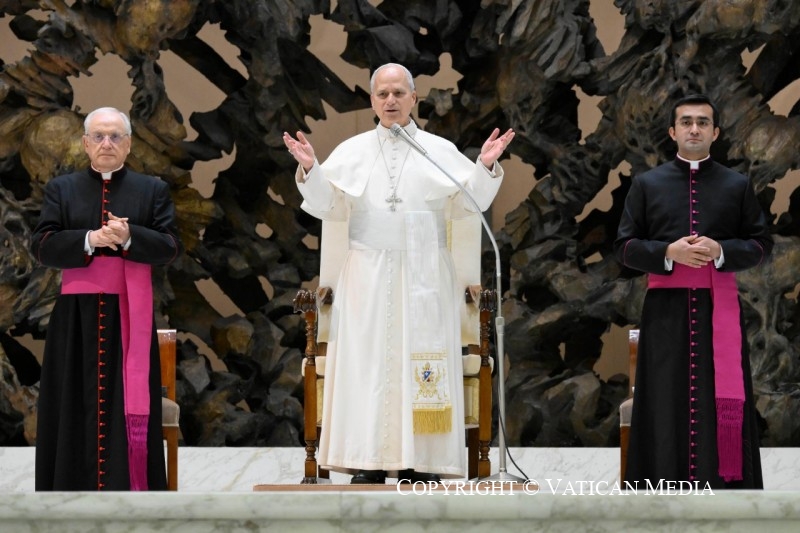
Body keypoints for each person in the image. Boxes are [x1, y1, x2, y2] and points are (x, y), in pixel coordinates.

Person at [283, 63, 514, 484]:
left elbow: (467, 205)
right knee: (367, 367)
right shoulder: (352, 151)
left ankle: (421, 462)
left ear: (413, 99)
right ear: (372, 101)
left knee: (417, 364)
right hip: (365, 277)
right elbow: (329, 208)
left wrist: (484, 168)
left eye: (398, 93)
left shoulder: (437, 149)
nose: (390, 101)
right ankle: (367, 463)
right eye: (382, 94)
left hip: (424, 277)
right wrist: (311, 172)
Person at [614, 94, 773, 488]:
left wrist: (721, 251)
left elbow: (760, 245)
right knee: (665, 400)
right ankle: (661, 487)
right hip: (665, 314)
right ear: (673, 132)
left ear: (715, 132)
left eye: (703, 122)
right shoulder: (647, 185)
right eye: (686, 122)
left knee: (716, 397)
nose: (694, 129)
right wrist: (667, 252)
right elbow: (625, 247)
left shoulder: (737, 186)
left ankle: (726, 486)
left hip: (718, 310)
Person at [31, 107, 183, 490]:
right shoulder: (61, 189)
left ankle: (129, 490)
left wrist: (130, 238)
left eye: (116, 136)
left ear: (129, 145)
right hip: (74, 320)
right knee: (72, 402)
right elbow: (43, 247)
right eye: (98, 136)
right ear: (85, 143)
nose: (107, 144)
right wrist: (90, 239)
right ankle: (67, 491)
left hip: (130, 318)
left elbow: (169, 247)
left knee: (123, 402)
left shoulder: (152, 190)